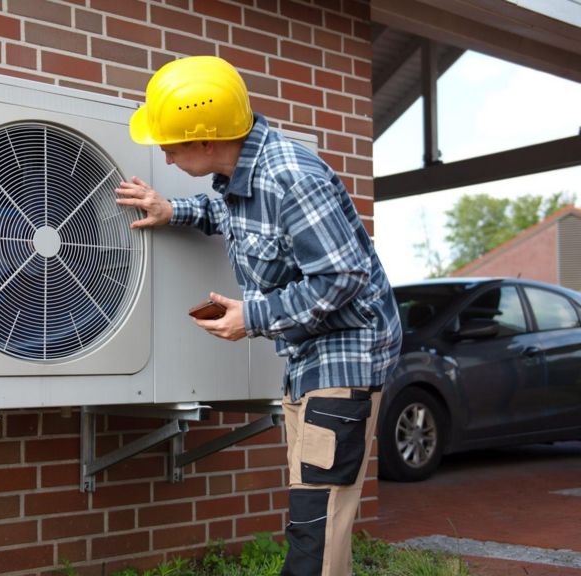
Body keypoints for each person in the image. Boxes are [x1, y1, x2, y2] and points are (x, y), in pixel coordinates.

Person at [116, 55, 402, 576]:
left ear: (206, 139)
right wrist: (170, 209)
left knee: (318, 519)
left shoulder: (290, 175)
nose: (164, 152)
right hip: (307, 355)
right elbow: (229, 215)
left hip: (345, 357)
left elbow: (343, 277)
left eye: (171, 142)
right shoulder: (240, 171)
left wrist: (253, 315)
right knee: (312, 507)